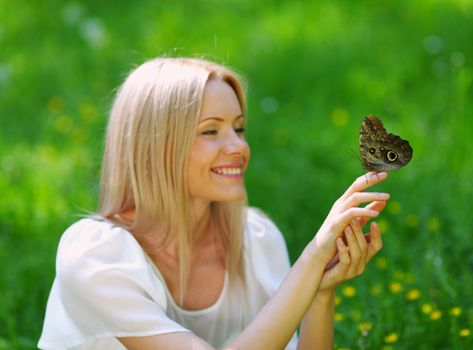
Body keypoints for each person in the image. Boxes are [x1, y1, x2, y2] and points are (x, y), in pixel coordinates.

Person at [38, 57, 390, 350]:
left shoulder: (256, 239)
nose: (238, 147)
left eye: (239, 128)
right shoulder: (95, 256)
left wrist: (318, 292)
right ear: (155, 146)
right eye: (210, 131)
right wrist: (311, 258)